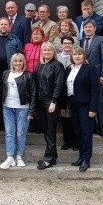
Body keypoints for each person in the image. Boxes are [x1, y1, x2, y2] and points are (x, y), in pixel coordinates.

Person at [64, 46, 100, 172]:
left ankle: (86, 159)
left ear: (84, 56)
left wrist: (93, 108)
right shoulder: (69, 69)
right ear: (71, 56)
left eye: (79, 54)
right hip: (73, 104)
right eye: (75, 54)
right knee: (78, 131)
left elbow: (95, 90)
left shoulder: (90, 69)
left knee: (86, 132)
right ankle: (81, 157)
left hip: (85, 105)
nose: (77, 56)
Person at [0, 53, 36, 170]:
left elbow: (33, 93)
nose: (17, 63)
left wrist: (31, 111)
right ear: (12, 62)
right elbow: (0, 90)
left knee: (20, 132)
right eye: (15, 61)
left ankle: (19, 156)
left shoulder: (28, 75)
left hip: (23, 108)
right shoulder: (6, 74)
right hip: (7, 107)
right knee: (9, 132)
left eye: (20, 61)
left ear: (23, 62)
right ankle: (10, 157)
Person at [0, 17, 23, 132]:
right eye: (1, 24)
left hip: (10, 73)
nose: (3, 26)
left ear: (9, 26)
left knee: (7, 97)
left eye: (5, 24)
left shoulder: (15, 39)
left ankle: (7, 124)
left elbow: (20, 55)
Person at [35, 41, 65, 170]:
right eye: (44, 50)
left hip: (50, 101)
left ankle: (48, 159)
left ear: (54, 52)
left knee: (51, 130)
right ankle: (53, 157)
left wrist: (54, 101)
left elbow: (58, 85)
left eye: (49, 50)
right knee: (46, 129)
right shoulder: (40, 66)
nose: (47, 52)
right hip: (41, 102)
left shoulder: (57, 66)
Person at [81, 19, 103, 137]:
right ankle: (92, 127)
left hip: (98, 76)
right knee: (88, 102)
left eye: (90, 27)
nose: (87, 29)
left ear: (94, 28)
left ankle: (102, 127)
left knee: (99, 101)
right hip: (85, 76)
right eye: (85, 27)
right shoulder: (81, 41)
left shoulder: (101, 39)